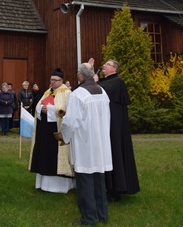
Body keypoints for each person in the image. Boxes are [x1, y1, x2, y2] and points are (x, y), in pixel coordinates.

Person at [61, 63, 112, 226]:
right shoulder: (103, 92)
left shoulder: (78, 94)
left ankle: (89, 218)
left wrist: (64, 137)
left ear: (81, 75)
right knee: (99, 179)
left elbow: (70, 121)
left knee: (85, 181)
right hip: (101, 142)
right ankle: (102, 214)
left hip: (85, 143)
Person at [97, 58, 140, 201]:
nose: (104, 66)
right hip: (106, 124)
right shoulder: (104, 82)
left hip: (115, 126)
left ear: (114, 69)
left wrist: (95, 82)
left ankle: (117, 189)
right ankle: (106, 186)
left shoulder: (117, 82)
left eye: (107, 65)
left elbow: (104, 91)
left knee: (116, 152)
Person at [29, 68, 75, 193]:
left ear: (62, 80)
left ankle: (59, 185)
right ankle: (43, 183)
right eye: (51, 80)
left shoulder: (66, 93)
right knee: (44, 153)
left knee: (55, 155)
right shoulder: (47, 92)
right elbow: (38, 105)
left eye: (55, 80)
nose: (53, 82)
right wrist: (40, 109)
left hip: (57, 130)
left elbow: (65, 111)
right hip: (44, 129)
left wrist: (49, 109)